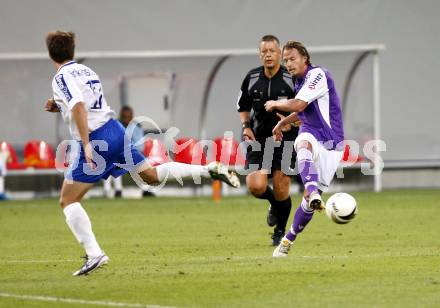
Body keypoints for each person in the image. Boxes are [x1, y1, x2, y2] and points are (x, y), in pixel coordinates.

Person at [44, 30, 240, 275]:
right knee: (150, 175)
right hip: (115, 130)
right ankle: (209, 169)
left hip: (96, 139)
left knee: (68, 200)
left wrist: (85, 143)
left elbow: (80, 107)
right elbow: (83, 102)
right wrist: (58, 105)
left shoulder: (60, 76)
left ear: (50, 53)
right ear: (73, 50)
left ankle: (94, 254)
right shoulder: (87, 71)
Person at [264, 40, 344, 257]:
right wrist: (282, 123)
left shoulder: (318, 74)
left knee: (308, 206)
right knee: (302, 142)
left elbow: (299, 105)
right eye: (286, 60)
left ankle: (289, 238)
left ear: (305, 59)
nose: (288, 64)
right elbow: (302, 113)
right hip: (312, 134)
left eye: (292, 59)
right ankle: (310, 191)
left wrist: (275, 103)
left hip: (332, 143)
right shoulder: (299, 82)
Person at [236, 35, 300, 246]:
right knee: (255, 186)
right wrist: (246, 127)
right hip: (259, 138)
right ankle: (274, 204)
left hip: (286, 139)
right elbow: (242, 106)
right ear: (260, 54)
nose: (268, 55)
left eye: (272, 51)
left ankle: (280, 231)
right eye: (264, 51)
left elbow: (305, 107)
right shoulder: (252, 77)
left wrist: (294, 122)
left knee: (282, 187)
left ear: (280, 53)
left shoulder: (292, 78)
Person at [103, 105, 145, 198]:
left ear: (132, 116)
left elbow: (140, 146)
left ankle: (146, 190)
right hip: (118, 154)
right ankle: (114, 190)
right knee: (110, 162)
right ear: (121, 116)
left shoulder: (137, 127)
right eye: (124, 117)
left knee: (141, 163)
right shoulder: (115, 125)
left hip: (132, 154)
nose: (126, 119)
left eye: (128, 117)